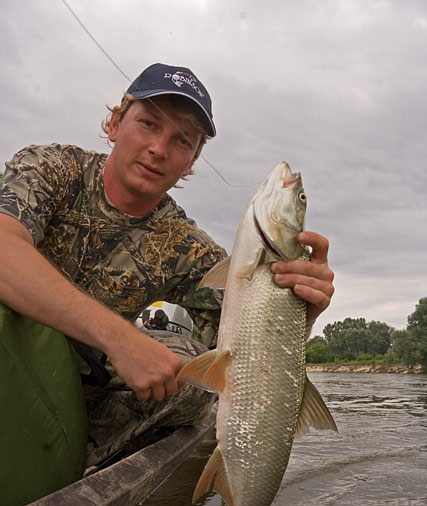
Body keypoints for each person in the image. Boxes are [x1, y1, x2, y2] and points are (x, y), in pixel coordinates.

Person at [0, 63, 334, 469]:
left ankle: (81, 465)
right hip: (11, 353)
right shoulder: (50, 167)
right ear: (113, 124)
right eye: (148, 124)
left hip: (77, 400)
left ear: (191, 162)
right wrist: (120, 340)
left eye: (181, 141)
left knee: (191, 379)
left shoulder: (192, 251)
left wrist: (299, 311)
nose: (159, 148)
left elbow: (244, 356)